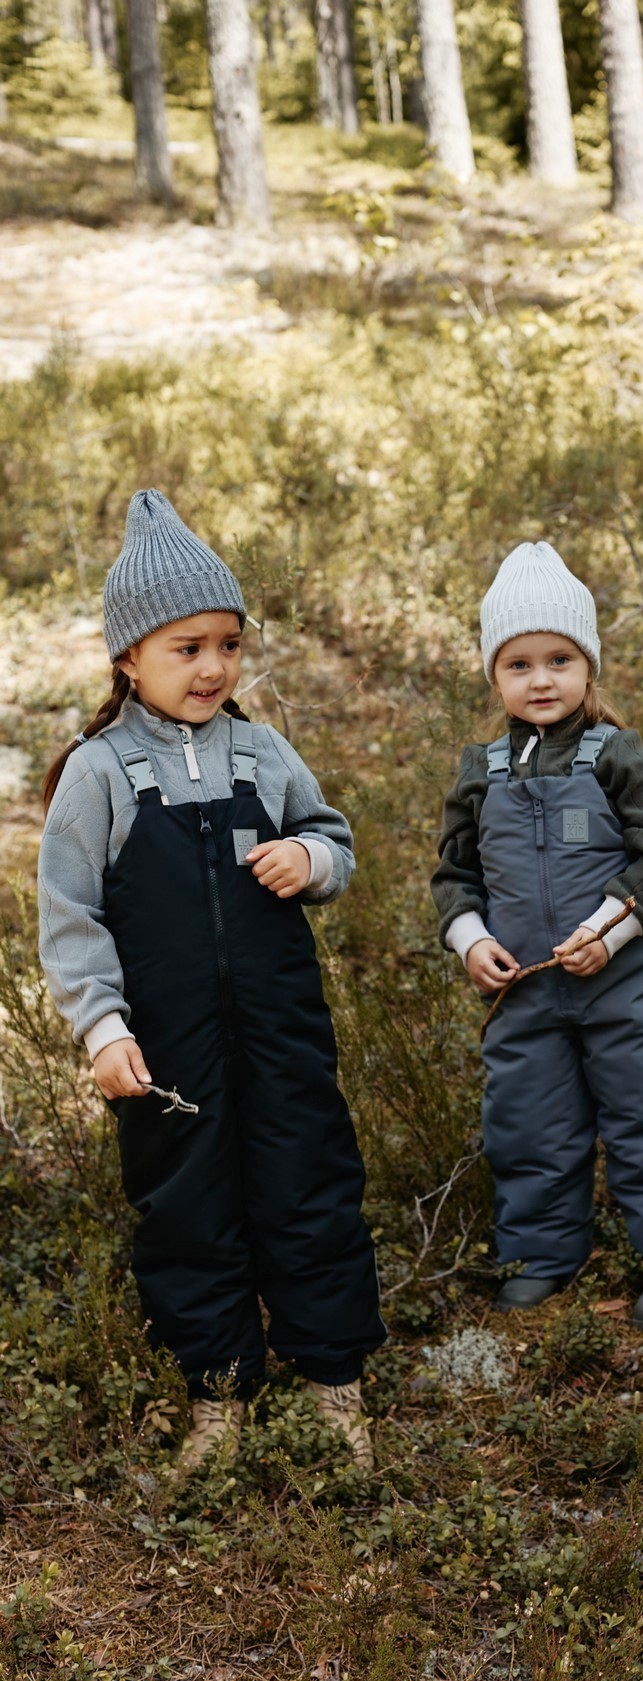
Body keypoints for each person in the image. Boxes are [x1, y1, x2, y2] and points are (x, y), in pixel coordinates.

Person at [38, 490, 384, 1476]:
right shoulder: (100, 773)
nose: (212, 668)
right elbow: (69, 918)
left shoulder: (262, 753)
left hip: (282, 1027)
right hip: (165, 1046)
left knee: (310, 1185)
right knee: (187, 1205)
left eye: (227, 645)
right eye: (186, 648)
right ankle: (218, 1391)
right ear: (129, 657)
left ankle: (332, 1380)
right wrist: (103, 1028)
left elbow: (331, 838)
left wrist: (310, 861)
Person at [431, 541, 643, 1328]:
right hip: (526, 995)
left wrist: (607, 930)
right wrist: (471, 940)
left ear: (588, 666)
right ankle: (541, 1255)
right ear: (494, 675)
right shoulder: (480, 771)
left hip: (630, 987)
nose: (541, 679)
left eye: (559, 660)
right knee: (529, 1123)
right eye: (519, 664)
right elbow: (455, 874)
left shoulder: (618, 756)